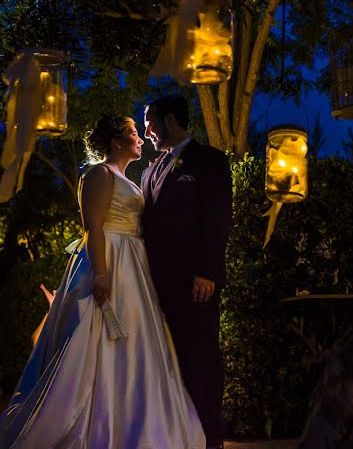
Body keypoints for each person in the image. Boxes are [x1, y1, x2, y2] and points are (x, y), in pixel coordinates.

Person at [0, 116, 206, 449]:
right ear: (116, 141)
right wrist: (102, 275)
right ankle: (90, 423)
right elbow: (94, 227)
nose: (140, 137)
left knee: (136, 341)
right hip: (111, 258)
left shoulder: (127, 178)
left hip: (134, 264)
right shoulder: (100, 174)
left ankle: (135, 421)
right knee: (97, 338)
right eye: (133, 133)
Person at [141, 96, 232, 449]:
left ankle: (210, 440)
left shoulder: (209, 161)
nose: (146, 130)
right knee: (165, 366)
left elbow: (217, 218)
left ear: (171, 119)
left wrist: (206, 271)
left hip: (194, 284)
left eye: (150, 122)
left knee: (200, 360)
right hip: (154, 287)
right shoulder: (150, 169)